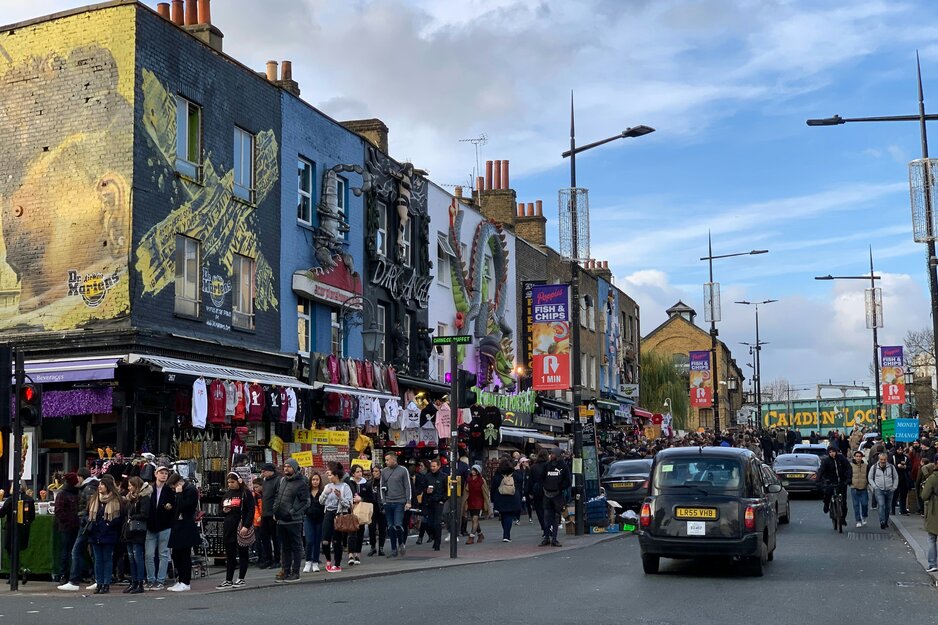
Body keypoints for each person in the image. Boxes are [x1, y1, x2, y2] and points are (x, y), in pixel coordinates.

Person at [57, 467, 99, 591]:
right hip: (86, 523)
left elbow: (90, 507)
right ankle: (96, 578)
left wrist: (82, 518)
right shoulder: (91, 487)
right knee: (91, 551)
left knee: (76, 550)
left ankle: (74, 580)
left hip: (85, 524)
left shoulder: (88, 488)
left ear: (80, 477)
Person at [85, 474, 124, 594]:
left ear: (108, 486)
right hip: (95, 533)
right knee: (97, 559)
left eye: (102, 484)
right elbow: (87, 513)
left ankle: (106, 583)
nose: (100, 486)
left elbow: (119, 518)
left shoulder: (116, 500)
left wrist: (108, 525)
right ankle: (99, 582)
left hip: (108, 534)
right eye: (100, 484)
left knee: (107, 558)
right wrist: (88, 521)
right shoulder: (94, 499)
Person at [216, 472, 255, 589]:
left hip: (241, 526)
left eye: (232, 482)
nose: (230, 485)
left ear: (239, 481)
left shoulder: (245, 493)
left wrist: (246, 526)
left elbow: (250, 511)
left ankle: (241, 578)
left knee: (243, 553)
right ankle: (228, 579)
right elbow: (220, 511)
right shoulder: (227, 494)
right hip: (229, 527)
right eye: (228, 482)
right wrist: (224, 511)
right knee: (230, 555)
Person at [273, 458, 309, 582]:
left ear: (294, 468)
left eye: (289, 466)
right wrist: (275, 511)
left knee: (296, 546)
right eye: (285, 466)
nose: (286, 468)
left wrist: (293, 512)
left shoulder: (301, 483)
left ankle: (295, 572)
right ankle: (286, 570)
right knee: (285, 547)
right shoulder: (282, 480)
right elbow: (278, 496)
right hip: (281, 519)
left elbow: (305, 502)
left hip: (294, 521)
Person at [166, 473, 199, 592]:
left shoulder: (191, 490)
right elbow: (178, 506)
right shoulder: (181, 491)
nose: (173, 490)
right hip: (178, 525)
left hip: (186, 526)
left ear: (178, 484)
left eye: (174, 487)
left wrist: (179, 494)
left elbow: (185, 506)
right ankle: (180, 580)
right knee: (176, 555)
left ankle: (186, 582)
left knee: (184, 555)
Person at [145, 463, 175, 591]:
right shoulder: (149, 489)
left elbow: (173, 506)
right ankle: (151, 579)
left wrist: (170, 507)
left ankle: (160, 580)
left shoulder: (169, 490)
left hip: (164, 525)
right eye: (161, 472)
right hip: (151, 525)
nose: (164, 475)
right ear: (155, 474)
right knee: (149, 554)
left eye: (166, 473)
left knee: (163, 554)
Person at [320, 463, 353, 573]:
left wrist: (340, 497)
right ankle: (328, 560)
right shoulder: (327, 487)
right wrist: (325, 493)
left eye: (329, 474)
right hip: (328, 513)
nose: (328, 477)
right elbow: (321, 501)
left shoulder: (345, 487)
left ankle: (337, 564)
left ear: (336, 475)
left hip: (339, 514)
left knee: (336, 541)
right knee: (325, 540)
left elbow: (348, 504)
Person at [123, 476, 151, 594]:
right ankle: (134, 582)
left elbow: (145, 514)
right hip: (129, 531)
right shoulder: (130, 499)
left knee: (137, 557)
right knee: (131, 558)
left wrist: (132, 517)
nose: (129, 488)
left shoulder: (143, 498)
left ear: (136, 486)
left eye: (131, 485)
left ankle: (139, 582)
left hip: (138, 531)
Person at [380, 453, 411, 558]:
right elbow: (381, 487)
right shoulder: (384, 471)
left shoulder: (403, 470)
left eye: (388, 460)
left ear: (394, 460)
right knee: (390, 526)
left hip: (400, 501)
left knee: (398, 524)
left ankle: (401, 543)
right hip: (388, 502)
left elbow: (408, 486)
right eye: (385, 460)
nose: (386, 462)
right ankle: (393, 549)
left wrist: (408, 501)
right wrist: (383, 501)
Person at [53, 472, 81, 584]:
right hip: (68, 527)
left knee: (71, 551)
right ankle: (64, 573)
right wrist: (69, 521)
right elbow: (59, 511)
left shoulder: (70, 493)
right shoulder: (64, 494)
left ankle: (71, 573)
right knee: (66, 551)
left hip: (72, 526)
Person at [490, 457, 524, 542]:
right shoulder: (514, 474)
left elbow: (493, 487)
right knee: (509, 516)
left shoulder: (498, 476)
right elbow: (520, 480)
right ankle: (506, 535)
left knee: (503, 515)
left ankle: (505, 533)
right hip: (513, 497)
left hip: (500, 497)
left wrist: (492, 499)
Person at [541, 452, 571, 547]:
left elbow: (568, 481)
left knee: (555, 517)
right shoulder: (547, 465)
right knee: (546, 517)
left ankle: (554, 538)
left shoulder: (563, 466)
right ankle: (547, 537)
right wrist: (545, 486)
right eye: (551, 454)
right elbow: (541, 477)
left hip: (557, 494)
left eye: (553, 454)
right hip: (548, 493)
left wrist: (559, 488)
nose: (551, 456)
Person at [346, 464, 373, 566]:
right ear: (353, 473)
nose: (359, 473)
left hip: (361, 511)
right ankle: (350, 555)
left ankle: (358, 554)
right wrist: (351, 500)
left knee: (360, 533)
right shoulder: (348, 483)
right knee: (351, 532)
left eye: (360, 471)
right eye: (357, 472)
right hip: (351, 510)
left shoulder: (366, 484)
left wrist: (361, 499)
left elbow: (370, 498)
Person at [818, 445, 851, 524]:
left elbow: (848, 468)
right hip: (831, 481)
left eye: (833, 452)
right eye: (830, 452)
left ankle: (843, 518)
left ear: (836, 452)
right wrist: (818, 481)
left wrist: (848, 478)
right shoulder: (826, 461)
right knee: (827, 494)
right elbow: (821, 471)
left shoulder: (841, 458)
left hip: (842, 481)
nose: (832, 453)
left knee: (843, 502)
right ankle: (826, 505)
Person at [868, 452, 900, 529]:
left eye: (884, 459)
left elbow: (896, 477)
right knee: (881, 505)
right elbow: (870, 478)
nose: (883, 461)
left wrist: (894, 487)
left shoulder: (891, 467)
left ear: (887, 459)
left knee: (888, 507)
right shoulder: (874, 467)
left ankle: (886, 521)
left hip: (889, 490)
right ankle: (882, 521)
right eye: (881, 459)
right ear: (879, 459)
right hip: (879, 490)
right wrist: (875, 487)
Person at [257, 463, 280, 570]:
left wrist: (275, 511)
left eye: (264, 471)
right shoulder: (265, 481)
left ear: (270, 471)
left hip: (273, 514)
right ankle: (268, 558)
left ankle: (277, 559)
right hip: (265, 513)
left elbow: (277, 497)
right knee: (264, 536)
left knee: (275, 537)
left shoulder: (277, 480)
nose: (262, 473)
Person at [423, 458, 449, 550]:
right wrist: (426, 491)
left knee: (437, 523)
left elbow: (447, 490)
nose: (432, 468)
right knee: (429, 524)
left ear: (439, 466)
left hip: (439, 502)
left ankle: (437, 544)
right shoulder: (427, 476)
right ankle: (433, 536)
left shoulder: (444, 476)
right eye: (431, 466)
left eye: (434, 466)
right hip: (430, 502)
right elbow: (423, 488)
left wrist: (443, 499)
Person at [303, 471, 325, 573]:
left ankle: (315, 562)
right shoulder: (306, 492)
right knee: (309, 540)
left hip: (320, 518)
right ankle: (308, 561)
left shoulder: (323, 491)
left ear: (320, 481)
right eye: (313, 479)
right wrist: (305, 511)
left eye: (317, 479)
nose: (315, 482)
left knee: (317, 541)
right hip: (308, 518)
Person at [463, 464, 490, 544]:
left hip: (479, 501)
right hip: (470, 501)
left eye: (475, 470)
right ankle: (480, 534)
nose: (473, 472)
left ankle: (471, 537)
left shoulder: (482, 480)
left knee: (475, 519)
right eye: (472, 470)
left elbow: (485, 492)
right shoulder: (468, 480)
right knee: (474, 520)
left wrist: (487, 503)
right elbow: (466, 491)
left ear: (478, 472)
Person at [920, 459, 938, 572]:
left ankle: (933, 564)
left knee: (932, 538)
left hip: (934, 510)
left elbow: (924, 496)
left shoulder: (932, 478)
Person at [527, 451, 549, 542]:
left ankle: (544, 528)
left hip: (537, 490)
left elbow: (530, 481)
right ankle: (548, 527)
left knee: (539, 510)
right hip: (548, 489)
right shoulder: (548, 465)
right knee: (548, 509)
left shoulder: (533, 467)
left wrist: (530, 492)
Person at [367, 466, 387, 557]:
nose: (374, 473)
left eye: (376, 471)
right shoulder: (370, 483)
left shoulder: (384, 483)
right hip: (372, 506)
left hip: (382, 506)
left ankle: (381, 547)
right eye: (373, 471)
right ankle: (373, 546)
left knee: (382, 528)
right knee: (372, 527)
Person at [849, 450, 869, 528]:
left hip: (863, 487)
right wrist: (849, 482)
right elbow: (848, 474)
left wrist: (868, 483)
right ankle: (858, 520)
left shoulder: (866, 466)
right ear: (854, 457)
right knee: (856, 505)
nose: (858, 458)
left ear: (862, 457)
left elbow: (868, 475)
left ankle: (864, 516)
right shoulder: (850, 465)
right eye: (856, 456)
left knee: (865, 504)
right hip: (854, 487)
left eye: (859, 456)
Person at [891, 444, 911, 516]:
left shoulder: (906, 457)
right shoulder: (892, 457)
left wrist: (905, 467)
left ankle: (903, 510)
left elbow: (909, 467)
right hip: (894, 478)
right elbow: (890, 466)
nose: (900, 451)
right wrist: (897, 466)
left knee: (903, 495)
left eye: (901, 450)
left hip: (904, 478)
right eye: (898, 449)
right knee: (894, 495)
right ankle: (892, 510)